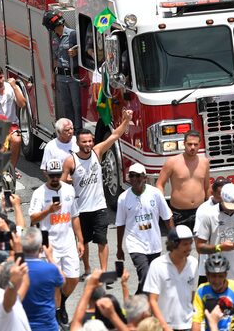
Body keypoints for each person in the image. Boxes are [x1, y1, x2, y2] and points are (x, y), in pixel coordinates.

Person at [62, 110, 132, 274]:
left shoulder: (97, 152)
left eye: (90, 141)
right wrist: (66, 182)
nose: (87, 145)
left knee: (102, 240)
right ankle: (86, 269)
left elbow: (114, 136)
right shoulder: (71, 160)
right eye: (84, 142)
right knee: (83, 241)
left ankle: (103, 271)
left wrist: (126, 120)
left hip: (100, 207)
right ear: (78, 144)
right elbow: (60, 182)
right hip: (80, 209)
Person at [29, 158, 84, 324]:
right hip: (49, 242)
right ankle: (58, 312)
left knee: (73, 278)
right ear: (46, 173)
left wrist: (80, 240)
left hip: (67, 240)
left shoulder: (69, 189)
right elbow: (32, 218)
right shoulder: (39, 193)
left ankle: (62, 302)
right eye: (51, 175)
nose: (54, 178)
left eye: (57, 175)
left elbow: (74, 216)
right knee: (54, 281)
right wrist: (49, 210)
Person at [116, 162, 174, 294]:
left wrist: (174, 240)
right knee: (146, 275)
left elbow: (167, 217)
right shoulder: (123, 198)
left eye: (138, 176)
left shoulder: (155, 194)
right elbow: (120, 224)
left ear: (144, 177)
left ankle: (138, 303)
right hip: (135, 244)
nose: (134, 179)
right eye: (131, 176)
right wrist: (119, 248)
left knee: (153, 278)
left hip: (154, 243)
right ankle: (140, 308)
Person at [194, 182, 234, 284]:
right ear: (222, 199)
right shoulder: (209, 215)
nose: (233, 208)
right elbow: (199, 247)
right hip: (219, 276)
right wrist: (219, 247)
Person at [144, 225, 198, 331]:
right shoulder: (157, 265)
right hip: (164, 326)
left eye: (190, 243)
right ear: (173, 245)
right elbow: (152, 300)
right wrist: (164, 326)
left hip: (188, 325)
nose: (189, 248)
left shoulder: (194, 263)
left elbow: (192, 295)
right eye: (185, 244)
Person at [156, 130, 210, 230]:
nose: (192, 147)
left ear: (200, 145)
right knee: (179, 244)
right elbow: (160, 184)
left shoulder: (204, 162)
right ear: (184, 144)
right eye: (189, 144)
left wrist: (212, 206)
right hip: (178, 213)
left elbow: (207, 187)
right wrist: (164, 207)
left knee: (202, 244)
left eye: (195, 144)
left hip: (200, 211)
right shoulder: (172, 162)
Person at [192, 253, 234, 331]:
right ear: (207, 275)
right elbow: (196, 322)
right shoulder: (201, 291)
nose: (217, 281)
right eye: (213, 276)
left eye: (220, 276)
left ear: (226, 275)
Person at [22, 226, 64, 331]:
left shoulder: (15, 269)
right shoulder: (50, 269)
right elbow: (63, 280)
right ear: (41, 248)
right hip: (47, 326)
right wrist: (50, 257)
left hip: (23, 326)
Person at [0, 260, 31, 331]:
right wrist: (13, 282)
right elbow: (8, 303)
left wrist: (19, 253)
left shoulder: (15, 297)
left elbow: (26, 283)